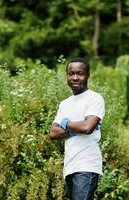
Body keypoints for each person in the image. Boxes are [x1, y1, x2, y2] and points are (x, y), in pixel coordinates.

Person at [49, 58, 105, 200]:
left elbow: (87, 127)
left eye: (80, 73)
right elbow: (53, 133)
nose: (75, 77)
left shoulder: (94, 99)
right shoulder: (64, 104)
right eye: (71, 73)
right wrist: (77, 127)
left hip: (87, 164)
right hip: (70, 165)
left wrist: (65, 123)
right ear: (67, 75)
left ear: (87, 75)